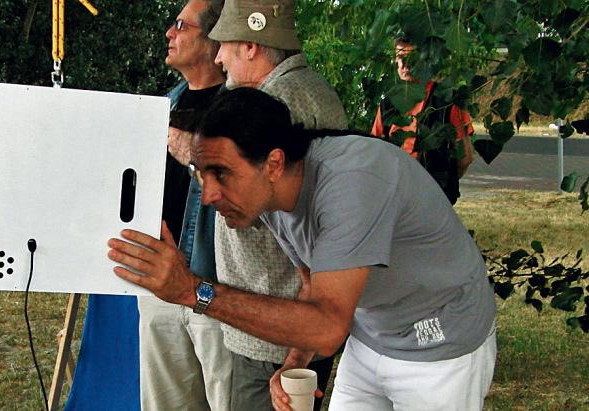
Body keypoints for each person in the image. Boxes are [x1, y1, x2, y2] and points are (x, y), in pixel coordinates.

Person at [107, 87, 497, 411]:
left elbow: (327, 328)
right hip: (373, 334)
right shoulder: (270, 195)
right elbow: (311, 284)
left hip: (440, 342)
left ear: (273, 163)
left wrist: (193, 291)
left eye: (221, 173)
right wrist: (294, 362)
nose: (208, 194)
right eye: (200, 173)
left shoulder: (352, 183)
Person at [164, 1, 347, 409]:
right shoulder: (306, 90)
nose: (219, 58)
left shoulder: (277, 102)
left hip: (273, 334)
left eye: (226, 46)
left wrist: (181, 146)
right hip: (285, 327)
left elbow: (247, 194)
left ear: (250, 47)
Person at [138, 1, 233, 410]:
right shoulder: (163, 105)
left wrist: (190, 152)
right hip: (159, 283)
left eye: (181, 25)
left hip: (216, 289)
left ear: (213, 40)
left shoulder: (241, 108)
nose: (169, 33)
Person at [371, 36, 474, 205]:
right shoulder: (388, 102)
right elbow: (375, 150)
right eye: (400, 57)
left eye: (411, 58)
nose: (404, 65)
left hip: (432, 198)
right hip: (395, 195)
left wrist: (442, 186)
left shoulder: (447, 100)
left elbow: (465, 158)